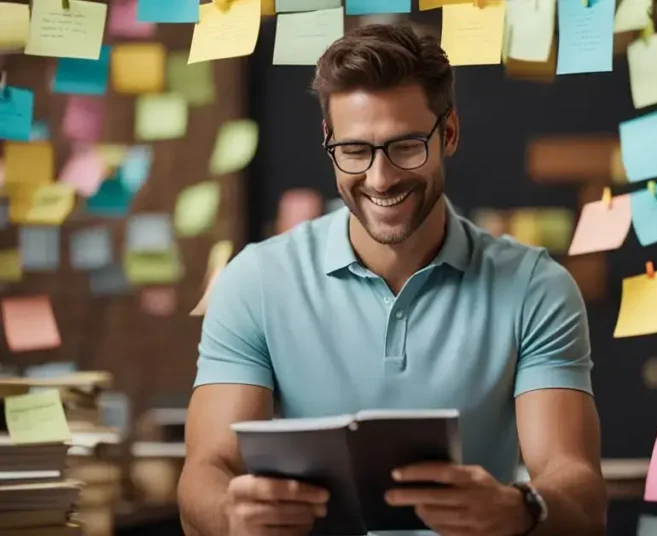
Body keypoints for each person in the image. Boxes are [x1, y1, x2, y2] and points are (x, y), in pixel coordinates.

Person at [177, 24, 606, 536]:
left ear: (448, 133)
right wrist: (230, 514)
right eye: (355, 151)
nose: (380, 179)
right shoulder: (254, 280)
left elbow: (578, 487)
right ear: (328, 141)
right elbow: (205, 472)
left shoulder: (536, 287)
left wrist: (519, 509)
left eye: (405, 147)